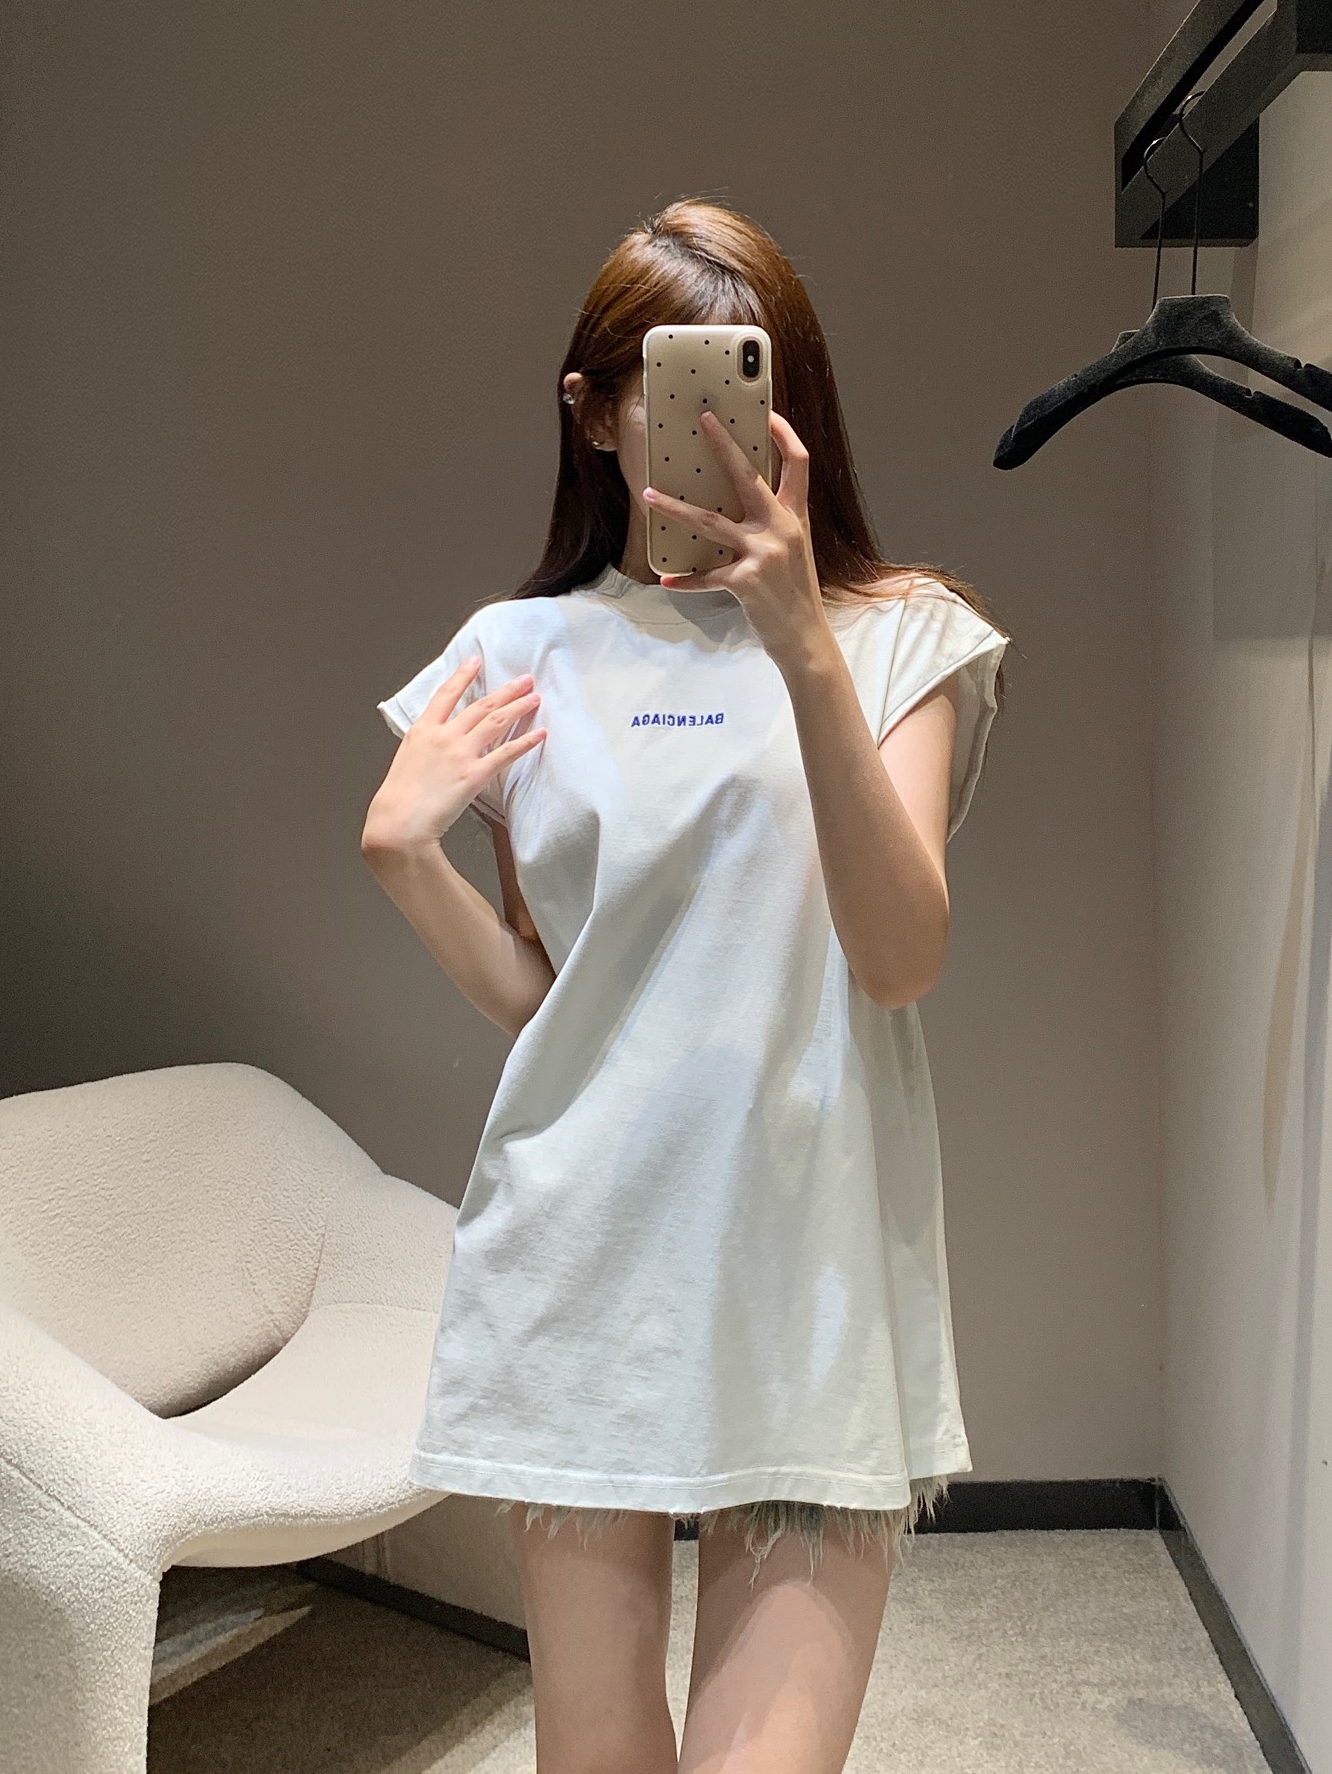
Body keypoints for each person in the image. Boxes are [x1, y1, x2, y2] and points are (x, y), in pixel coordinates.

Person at [363, 198, 1012, 1774]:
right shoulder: (517, 653)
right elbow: (558, 1008)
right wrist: (403, 857)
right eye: (669, 393)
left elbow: (899, 957)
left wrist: (800, 647)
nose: (714, 435)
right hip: (581, 1273)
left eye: (749, 385)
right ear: (596, 414)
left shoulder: (902, 640)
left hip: (813, 1276)